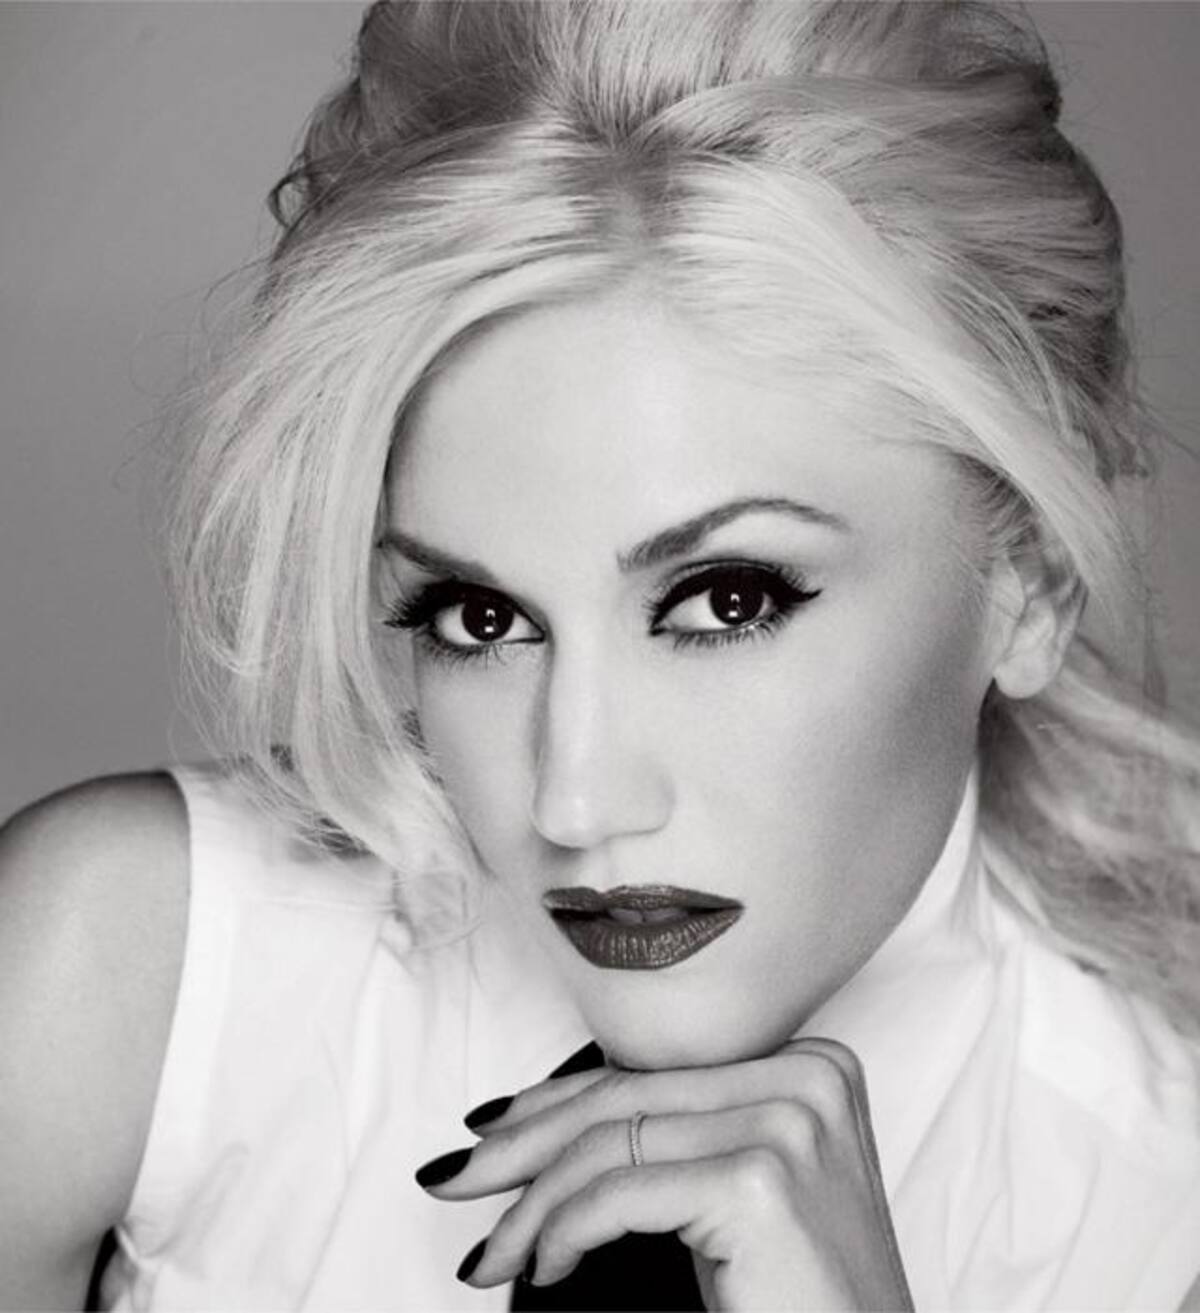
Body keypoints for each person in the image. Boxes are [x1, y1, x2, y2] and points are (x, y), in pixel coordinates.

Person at [2, 0, 1199, 1308]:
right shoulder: (132, 976)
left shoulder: (1159, 1216)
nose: (573, 802)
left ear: (1032, 582)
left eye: (726, 601)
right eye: (480, 618)